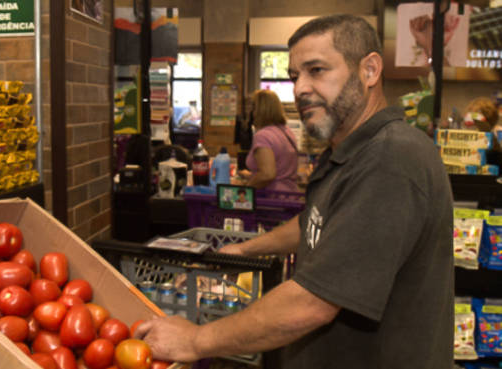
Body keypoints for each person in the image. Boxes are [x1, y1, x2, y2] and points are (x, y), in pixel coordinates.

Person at [134, 14, 454, 369]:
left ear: (370, 70)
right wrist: (244, 251)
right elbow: (316, 222)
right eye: (294, 76)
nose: (299, 88)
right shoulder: (347, 149)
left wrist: (195, 340)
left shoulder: (391, 158)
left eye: (316, 70)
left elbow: (312, 302)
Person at [236, 90, 299, 192]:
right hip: (289, 195)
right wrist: (251, 176)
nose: (251, 112)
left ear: (259, 110)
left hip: (271, 199)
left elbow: (267, 175)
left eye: (253, 107)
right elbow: (281, 169)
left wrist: (244, 191)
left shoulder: (263, 136)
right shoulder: (286, 131)